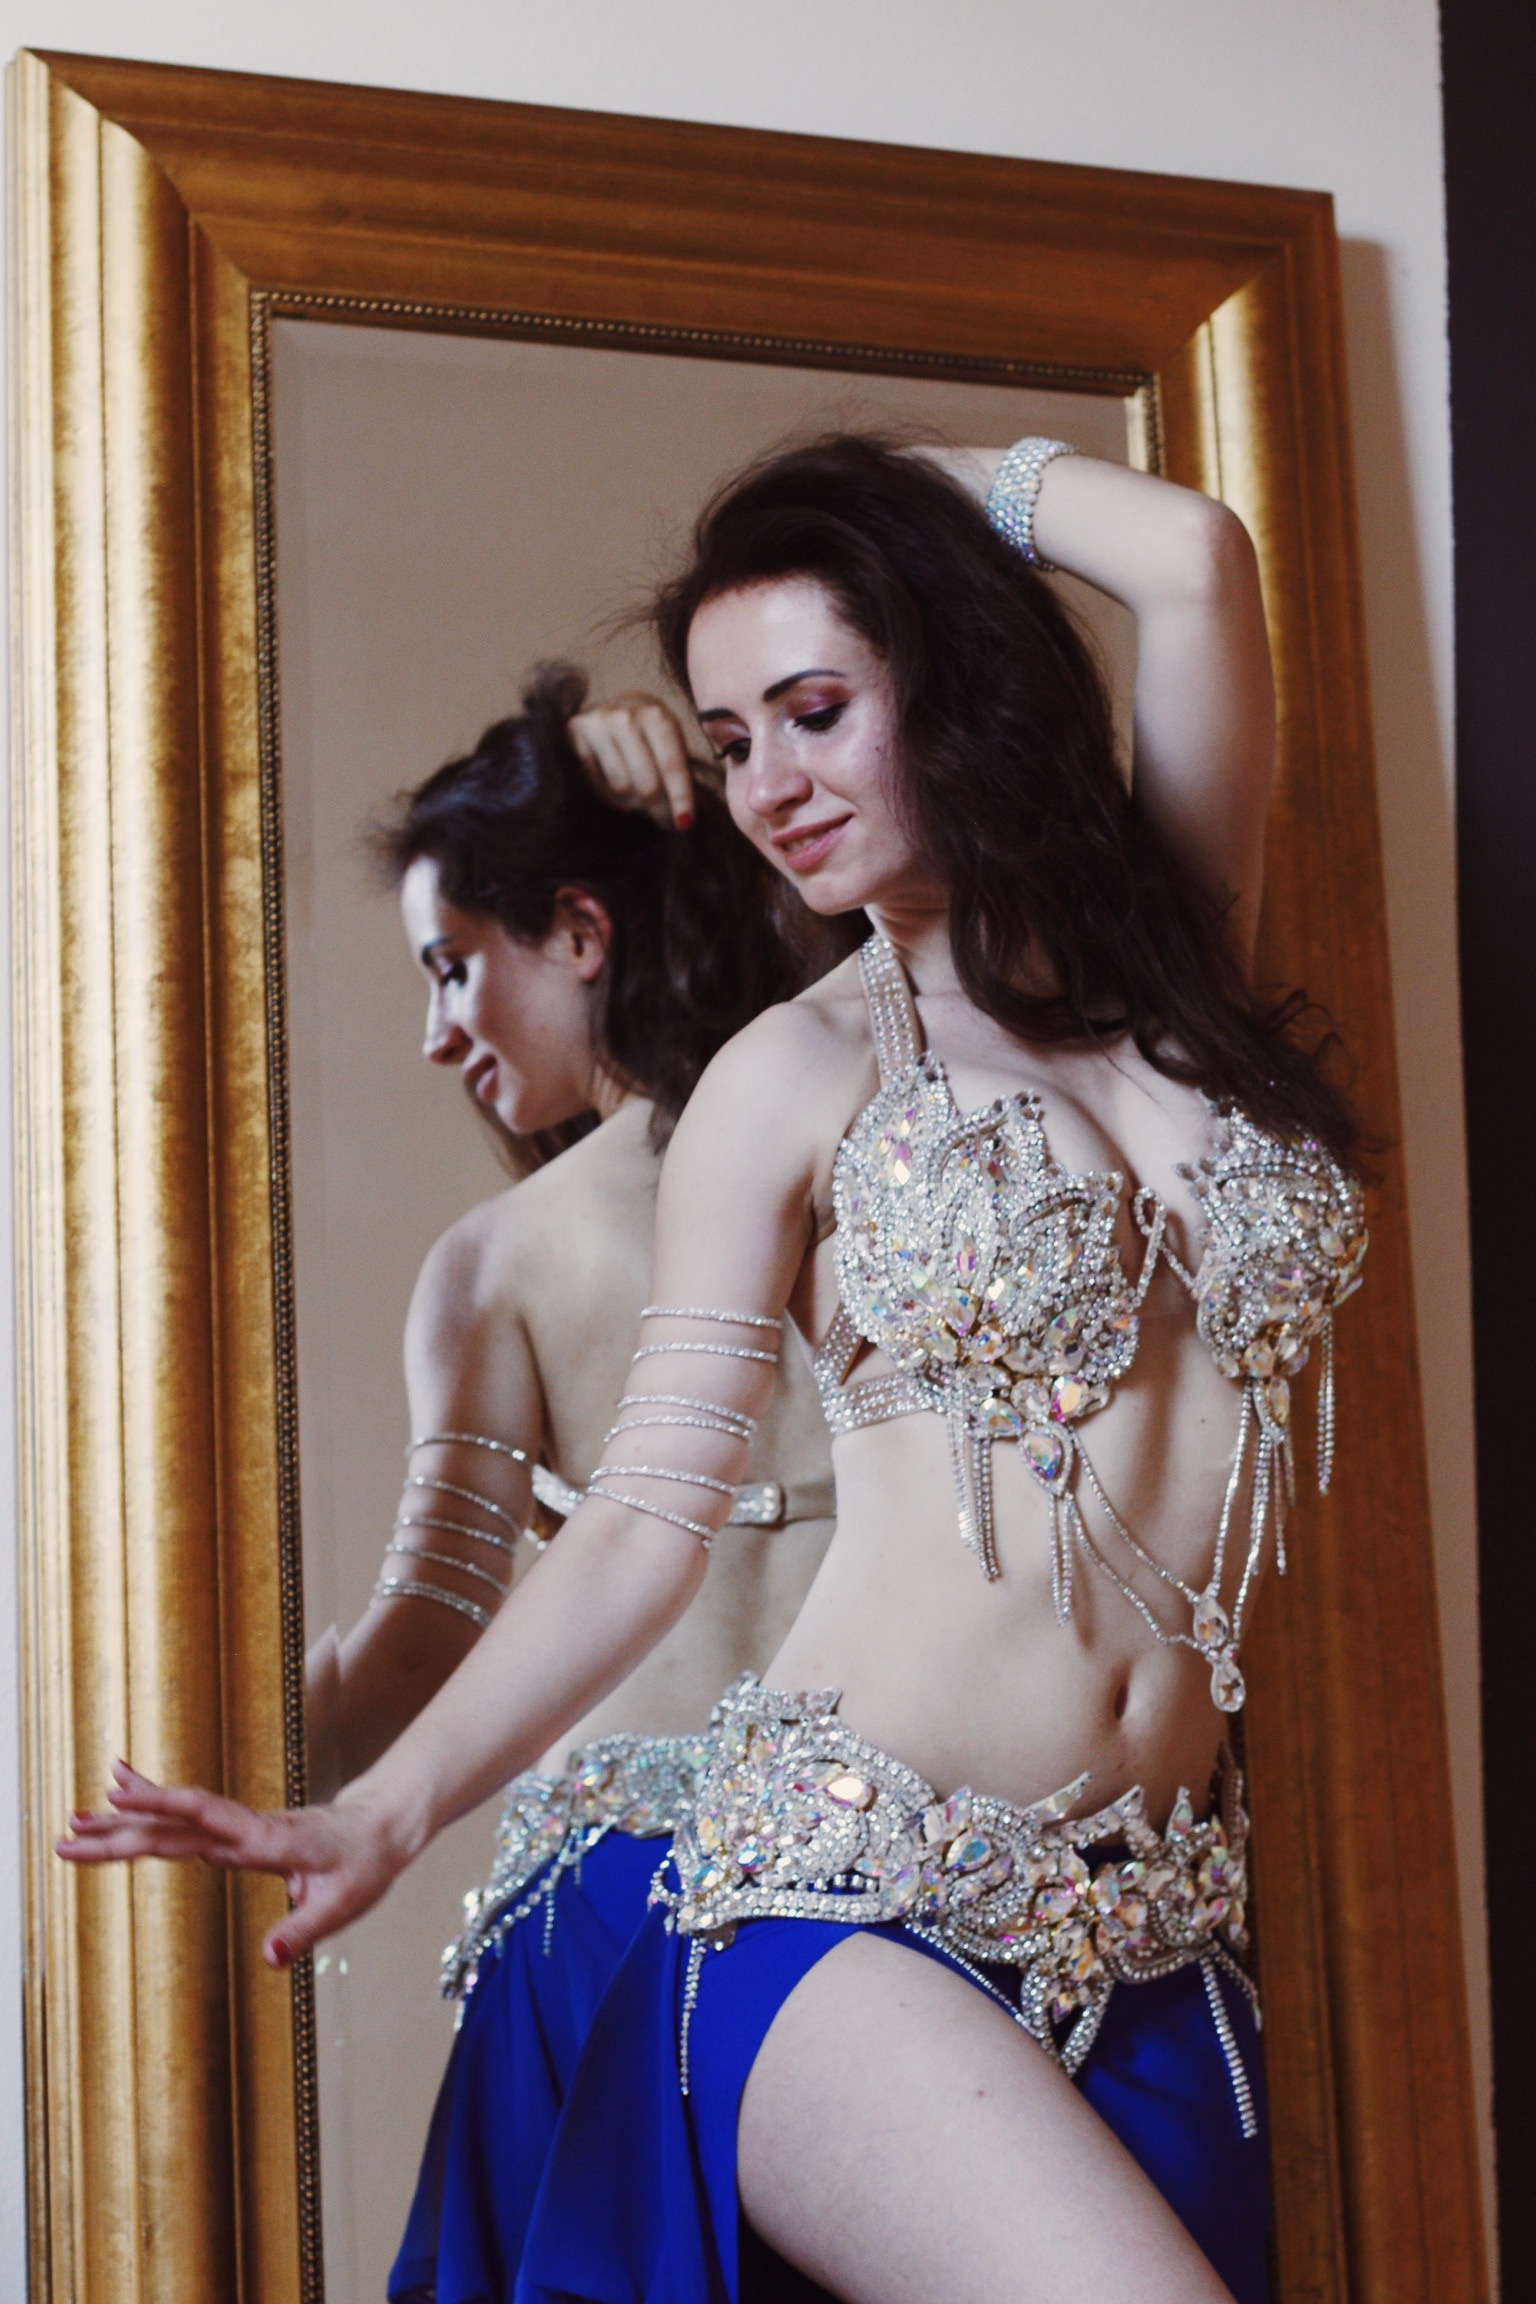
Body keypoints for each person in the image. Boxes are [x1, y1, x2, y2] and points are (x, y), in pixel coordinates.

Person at [61, 434, 1366, 2304]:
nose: (769, 786)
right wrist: (388, 1807)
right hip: (848, 1904)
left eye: (814, 712)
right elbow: (637, 1526)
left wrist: (884, 488)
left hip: (1161, 1943)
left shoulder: (1177, 954)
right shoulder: (794, 1073)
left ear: (956, 675)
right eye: (734, 741)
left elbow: (1194, 557)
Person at [301, 662, 850, 2298]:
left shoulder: (500, 1261)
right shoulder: (869, 1127)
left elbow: (424, 1647)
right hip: (881, 1875)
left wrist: (190, 1701)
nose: (437, 1035)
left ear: (581, 930)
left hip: (618, 1917)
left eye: (453, 966)